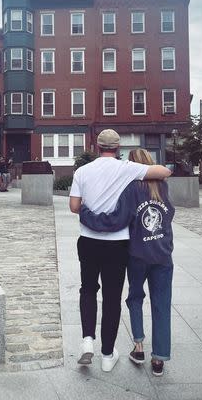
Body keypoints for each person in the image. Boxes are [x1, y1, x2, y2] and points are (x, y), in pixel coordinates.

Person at [69, 130, 171, 373]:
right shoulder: (127, 168)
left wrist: (88, 208)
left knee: (88, 289)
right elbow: (164, 172)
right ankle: (107, 356)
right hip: (117, 244)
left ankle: (87, 341)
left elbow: (74, 206)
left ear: (96, 146)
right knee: (112, 297)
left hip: (88, 240)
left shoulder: (82, 171)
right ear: (117, 148)